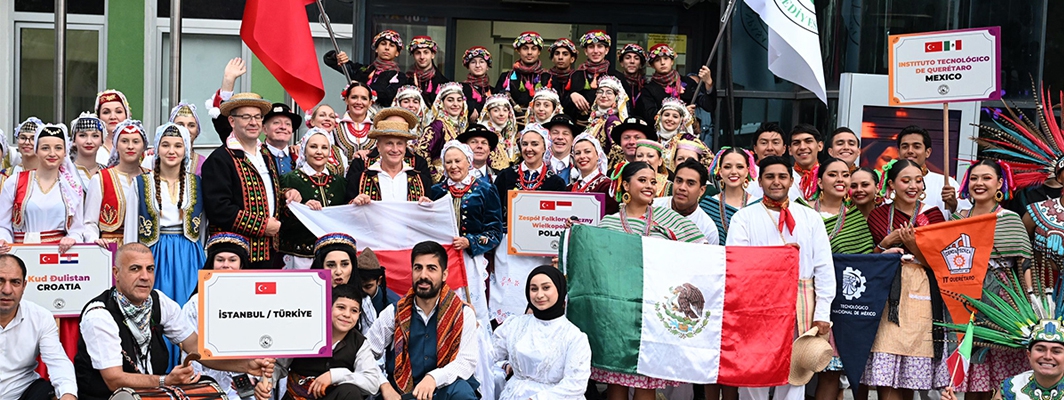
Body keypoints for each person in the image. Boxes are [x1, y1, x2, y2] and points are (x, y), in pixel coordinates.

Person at [74, 243, 275, 400]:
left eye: (150, 269)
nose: (145, 277)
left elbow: (196, 347)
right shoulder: (99, 315)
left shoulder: (159, 301)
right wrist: (165, 381)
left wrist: (246, 366)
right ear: (116, 273)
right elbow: (114, 380)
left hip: (154, 395)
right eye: (135, 269)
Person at [726, 156, 836, 400]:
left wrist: (823, 314)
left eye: (782, 176)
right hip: (757, 303)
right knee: (753, 369)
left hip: (801, 301)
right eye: (770, 176)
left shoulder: (810, 218)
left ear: (791, 180)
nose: (776, 182)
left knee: (795, 372)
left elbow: (824, 269)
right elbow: (738, 264)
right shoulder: (744, 218)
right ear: (759, 180)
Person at [595, 161, 704, 400]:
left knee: (647, 383)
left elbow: (701, 253)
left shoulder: (670, 219)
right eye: (642, 180)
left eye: (653, 182)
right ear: (625, 184)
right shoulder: (608, 223)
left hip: (655, 313)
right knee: (617, 381)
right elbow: (596, 266)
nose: (650, 186)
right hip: (619, 315)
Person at [862, 159, 949, 398]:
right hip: (887, 296)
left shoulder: (932, 214)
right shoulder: (878, 216)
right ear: (891, 184)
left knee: (910, 373)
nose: (913, 186)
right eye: (905, 180)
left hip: (923, 293)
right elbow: (869, 259)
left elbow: (940, 263)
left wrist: (913, 246)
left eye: (918, 180)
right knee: (886, 370)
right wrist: (885, 244)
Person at [949, 160, 1032, 398]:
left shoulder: (1009, 218)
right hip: (964, 296)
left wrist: (1031, 306)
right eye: (974, 178)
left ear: (999, 183)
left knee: (997, 367)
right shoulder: (957, 218)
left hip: (1003, 298)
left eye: (986, 178)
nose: (979, 183)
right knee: (970, 364)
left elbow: (1024, 261)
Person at [365, 241, 480, 400]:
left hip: (445, 390)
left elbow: (466, 362)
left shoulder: (463, 313)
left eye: (431, 268)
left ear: (444, 274)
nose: (423, 275)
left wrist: (433, 378)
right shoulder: (394, 312)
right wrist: (383, 385)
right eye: (418, 268)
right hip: (403, 393)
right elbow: (365, 352)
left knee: (462, 393)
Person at [202, 92, 285, 270]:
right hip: (234, 255)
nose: (253, 122)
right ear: (232, 122)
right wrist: (262, 226)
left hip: (270, 251)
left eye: (257, 117)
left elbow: (268, 194)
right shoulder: (220, 159)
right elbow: (219, 209)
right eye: (246, 117)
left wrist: (287, 195)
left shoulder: (266, 154)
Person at [127, 123, 205, 307]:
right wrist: (133, 261)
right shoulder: (140, 183)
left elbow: (202, 227)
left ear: (186, 149)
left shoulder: (197, 183)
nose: (172, 151)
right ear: (157, 149)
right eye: (165, 145)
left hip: (189, 254)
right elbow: (131, 228)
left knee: (190, 306)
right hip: (154, 253)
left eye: (178, 146)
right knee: (157, 306)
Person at [262, 283, 382, 400]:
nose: (347, 315)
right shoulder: (304, 332)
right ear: (328, 307)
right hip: (297, 397)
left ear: (359, 315)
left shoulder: (359, 343)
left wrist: (335, 376)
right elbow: (278, 366)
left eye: (354, 311)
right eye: (341, 307)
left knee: (350, 392)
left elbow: (372, 383)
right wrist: (265, 384)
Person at [491, 266, 592, 400]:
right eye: (534, 289)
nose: (539, 295)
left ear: (559, 289)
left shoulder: (574, 337)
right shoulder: (514, 325)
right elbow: (488, 355)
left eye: (546, 288)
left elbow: (575, 385)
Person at [180, 232, 252, 399]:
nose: (225, 265)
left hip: (244, 383)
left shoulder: (254, 301)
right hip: (206, 384)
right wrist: (202, 383)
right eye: (220, 260)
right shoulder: (195, 304)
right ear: (212, 264)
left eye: (232, 260)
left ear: (241, 265)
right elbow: (188, 348)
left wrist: (254, 377)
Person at [0, 254, 78, 400]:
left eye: (15, 282)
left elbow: (58, 362)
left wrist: (68, 395)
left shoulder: (40, 317)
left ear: (24, 285)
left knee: (55, 393)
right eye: (0, 281)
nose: (7, 290)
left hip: (23, 390)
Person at [279, 128, 351, 269]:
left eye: (324, 147)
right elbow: (280, 214)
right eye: (313, 147)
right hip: (300, 255)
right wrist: (303, 206)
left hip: (332, 255)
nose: (319, 152)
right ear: (304, 150)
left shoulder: (340, 182)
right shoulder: (289, 179)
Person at [427, 141, 503, 259]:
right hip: (441, 256)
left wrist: (470, 242)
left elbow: (495, 232)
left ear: (469, 162)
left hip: (473, 258)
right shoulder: (436, 191)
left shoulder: (486, 190)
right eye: (448, 162)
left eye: (457, 161)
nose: (453, 166)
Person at [348, 108, 434, 203]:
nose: (395, 149)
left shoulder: (422, 181)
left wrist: (428, 208)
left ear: (406, 146)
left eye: (400, 143)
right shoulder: (358, 180)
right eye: (389, 143)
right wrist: (353, 204)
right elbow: (343, 213)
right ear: (379, 147)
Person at [85, 119, 146, 246]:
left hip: (145, 247)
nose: (130, 146)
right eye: (124, 141)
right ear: (116, 145)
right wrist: (94, 239)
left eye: (136, 141)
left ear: (143, 146)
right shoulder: (101, 179)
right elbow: (89, 222)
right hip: (111, 248)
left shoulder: (150, 177)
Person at [494, 125, 568, 220]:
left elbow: (558, 217)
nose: (528, 149)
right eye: (525, 144)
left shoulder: (555, 182)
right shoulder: (506, 175)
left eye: (534, 144)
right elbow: (493, 211)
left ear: (545, 148)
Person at [894, 125, 967, 219]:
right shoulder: (886, 185)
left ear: (928, 152)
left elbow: (966, 224)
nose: (910, 151)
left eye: (916, 146)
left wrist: (954, 206)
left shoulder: (946, 183)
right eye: (905, 147)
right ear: (898, 152)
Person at [324, 30, 405, 107]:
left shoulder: (400, 77)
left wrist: (360, 88)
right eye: (383, 44)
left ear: (397, 52)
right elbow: (330, 61)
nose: (387, 48)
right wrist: (337, 56)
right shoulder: (363, 69)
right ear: (376, 49)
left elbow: (387, 98)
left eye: (392, 45)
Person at [638, 43, 715, 119]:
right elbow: (650, 116)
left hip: (686, 130)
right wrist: (683, 112)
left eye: (666, 58)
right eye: (657, 60)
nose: (662, 63)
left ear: (672, 61)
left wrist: (708, 82)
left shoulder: (688, 82)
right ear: (652, 65)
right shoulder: (648, 89)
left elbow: (709, 106)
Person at [701, 148, 758, 250]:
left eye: (740, 167)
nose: (733, 172)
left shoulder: (758, 205)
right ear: (720, 171)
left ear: (747, 171)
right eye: (727, 167)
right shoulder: (707, 206)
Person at [653, 159, 719, 242]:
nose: (682, 187)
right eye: (679, 181)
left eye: (690, 183)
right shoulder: (653, 207)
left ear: (701, 190)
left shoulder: (707, 228)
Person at [569, 31, 628, 123]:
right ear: (585, 51)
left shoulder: (617, 76)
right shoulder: (576, 75)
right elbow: (564, 106)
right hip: (580, 127)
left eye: (600, 46)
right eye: (591, 47)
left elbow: (626, 106)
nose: (595, 51)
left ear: (606, 50)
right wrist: (572, 95)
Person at [418, 82, 469, 181]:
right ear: (442, 103)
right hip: (442, 179)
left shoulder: (463, 126)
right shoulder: (438, 125)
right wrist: (434, 174)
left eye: (459, 100)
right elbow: (421, 151)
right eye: (450, 100)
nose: (455, 104)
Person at [496, 32, 545, 120]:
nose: (529, 52)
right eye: (525, 48)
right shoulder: (506, 77)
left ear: (539, 52)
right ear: (518, 50)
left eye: (533, 49)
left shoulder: (548, 77)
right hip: (511, 124)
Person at [569, 133, 619, 215]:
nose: (582, 156)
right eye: (577, 153)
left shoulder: (607, 186)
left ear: (598, 155)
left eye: (587, 152)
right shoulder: (569, 188)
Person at [582, 75, 627, 152]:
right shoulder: (597, 118)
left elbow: (618, 150)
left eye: (609, 93)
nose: (603, 96)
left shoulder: (612, 120)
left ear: (616, 97)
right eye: (600, 92)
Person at [304, 104, 352, 175]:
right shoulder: (302, 147)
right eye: (322, 115)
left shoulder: (337, 151)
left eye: (331, 116)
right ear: (312, 121)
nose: (327, 119)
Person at [336, 81, 378, 161]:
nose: (359, 102)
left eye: (364, 98)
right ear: (346, 100)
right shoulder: (335, 126)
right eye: (354, 97)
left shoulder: (378, 128)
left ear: (370, 103)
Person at [654, 97, 699, 169]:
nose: (670, 119)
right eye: (666, 115)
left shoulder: (687, 139)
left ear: (681, 120)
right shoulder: (654, 139)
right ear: (660, 117)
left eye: (675, 116)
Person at [477, 94, 519, 169]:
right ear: (488, 113)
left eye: (505, 110)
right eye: (496, 110)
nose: (501, 114)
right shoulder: (483, 133)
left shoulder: (505, 132)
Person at [406, 36, 451, 105]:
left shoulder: (444, 83)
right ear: (413, 56)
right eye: (418, 53)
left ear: (432, 55)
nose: (422, 57)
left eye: (426, 52)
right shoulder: (405, 80)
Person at [356, 248, 400, 318]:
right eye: (358, 286)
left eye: (368, 286)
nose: (362, 291)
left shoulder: (394, 305)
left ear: (379, 281)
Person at [261, 103, 301, 176]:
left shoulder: (299, 156)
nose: (283, 127)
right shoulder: (257, 155)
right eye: (276, 123)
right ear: (264, 129)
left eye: (288, 124)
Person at [94, 89, 132, 166]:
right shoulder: (91, 147)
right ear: (98, 117)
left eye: (118, 112)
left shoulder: (136, 146)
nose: (112, 117)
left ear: (126, 115)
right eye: (106, 112)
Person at [69, 112, 106, 186]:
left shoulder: (108, 173)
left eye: (95, 136)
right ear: (73, 140)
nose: (89, 141)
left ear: (102, 141)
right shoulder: (66, 172)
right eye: (82, 135)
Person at [790, 123, 824, 202]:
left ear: (820, 146)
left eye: (808, 141)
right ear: (790, 150)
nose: (802, 147)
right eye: (796, 143)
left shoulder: (829, 176)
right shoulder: (783, 178)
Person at [543, 114, 579, 183]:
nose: (560, 137)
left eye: (565, 133)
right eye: (555, 133)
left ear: (573, 140)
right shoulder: (538, 165)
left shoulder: (580, 167)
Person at [461, 46, 494, 118]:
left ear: (487, 67)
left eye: (481, 62)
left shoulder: (493, 91)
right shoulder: (460, 88)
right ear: (468, 67)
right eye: (473, 62)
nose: (477, 65)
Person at [618, 44, 648, 115]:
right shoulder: (616, 84)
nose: (632, 61)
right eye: (628, 58)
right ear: (622, 63)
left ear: (641, 64)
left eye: (636, 58)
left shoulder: (646, 87)